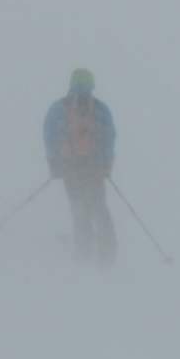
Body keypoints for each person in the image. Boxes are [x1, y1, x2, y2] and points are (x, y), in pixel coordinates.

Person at [44, 68, 117, 264]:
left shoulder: (59, 109)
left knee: (79, 210)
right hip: (94, 168)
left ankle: (83, 254)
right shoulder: (101, 109)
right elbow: (109, 137)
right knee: (99, 208)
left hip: (70, 167)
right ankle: (108, 255)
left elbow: (50, 136)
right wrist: (107, 165)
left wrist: (54, 164)